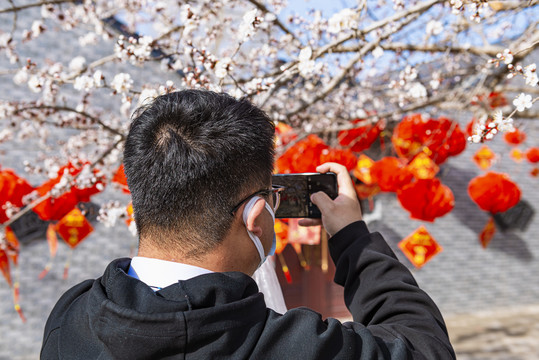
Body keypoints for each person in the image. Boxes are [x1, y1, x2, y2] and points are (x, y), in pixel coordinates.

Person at [41, 90, 456, 359]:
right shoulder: (296, 348)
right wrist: (352, 237)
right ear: (257, 218)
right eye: (272, 200)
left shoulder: (70, 318)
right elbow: (425, 347)